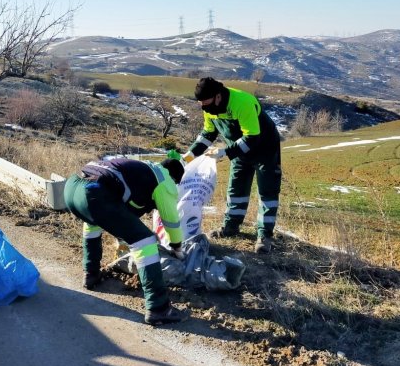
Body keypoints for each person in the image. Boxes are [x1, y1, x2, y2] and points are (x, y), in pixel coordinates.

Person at [64, 156, 188, 325]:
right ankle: (159, 308)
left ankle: (90, 274)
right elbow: (172, 222)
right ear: (174, 178)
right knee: (145, 240)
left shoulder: (142, 170)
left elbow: (119, 212)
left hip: (73, 188)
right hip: (94, 192)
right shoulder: (164, 179)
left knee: (94, 222)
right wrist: (177, 248)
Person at [183, 77, 281, 253]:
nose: (204, 108)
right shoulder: (209, 107)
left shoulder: (242, 102)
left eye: (206, 103)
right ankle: (231, 227)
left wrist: (225, 152)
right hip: (239, 149)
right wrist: (188, 156)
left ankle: (265, 235)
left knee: (267, 191)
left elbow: (252, 137)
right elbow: (208, 134)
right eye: (201, 105)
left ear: (218, 96)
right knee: (236, 190)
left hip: (264, 148)